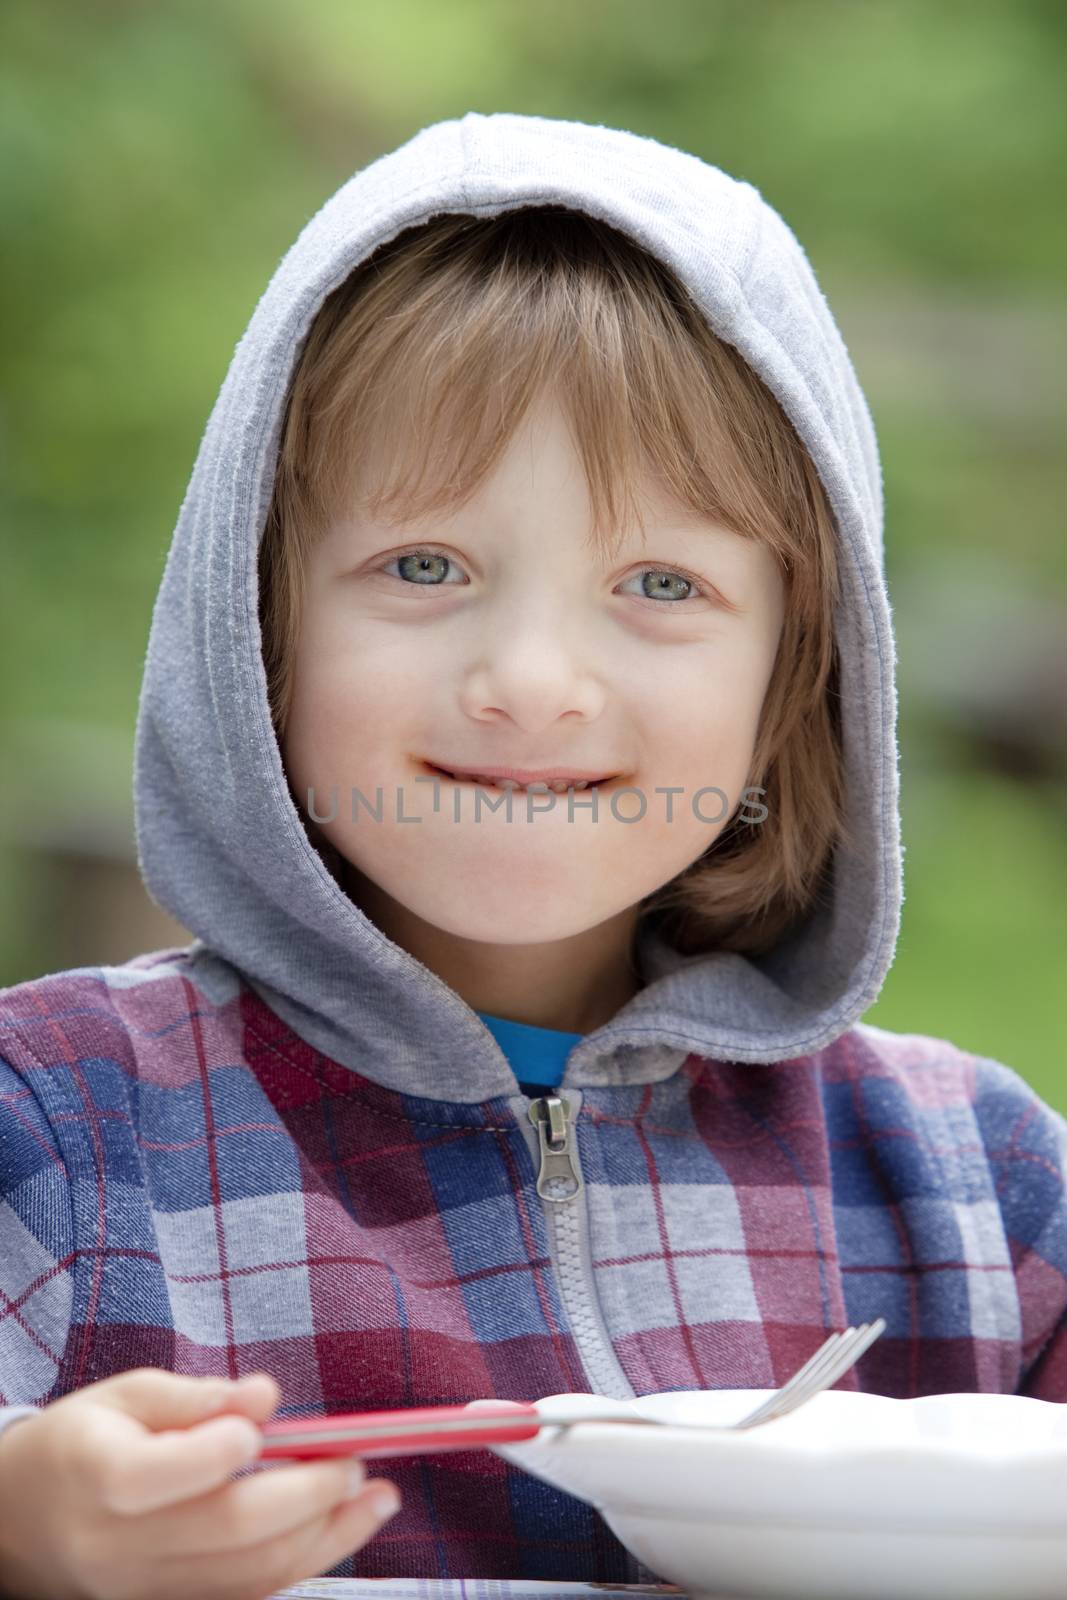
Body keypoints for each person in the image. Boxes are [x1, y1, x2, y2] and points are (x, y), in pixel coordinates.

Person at [1, 110, 1065, 1598]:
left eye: (659, 581)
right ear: (259, 634)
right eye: (424, 566)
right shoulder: (56, 1139)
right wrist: (25, 1523)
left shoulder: (975, 1192)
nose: (533, 679)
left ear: (795, 684)